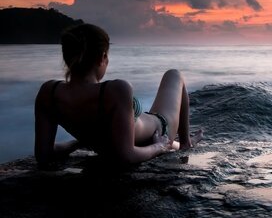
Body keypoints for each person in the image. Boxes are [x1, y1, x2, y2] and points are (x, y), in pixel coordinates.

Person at [34, 23, 195, 168]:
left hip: (126, 140)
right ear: (102, 58)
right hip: (159, 129)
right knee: (174, 75)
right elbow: (127, 156)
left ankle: (178, 143)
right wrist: (158, 147)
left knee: (168, 140)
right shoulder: (115, 89)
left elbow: (44, 155)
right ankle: (185, 143)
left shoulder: (49, 92)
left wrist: (78, 143)